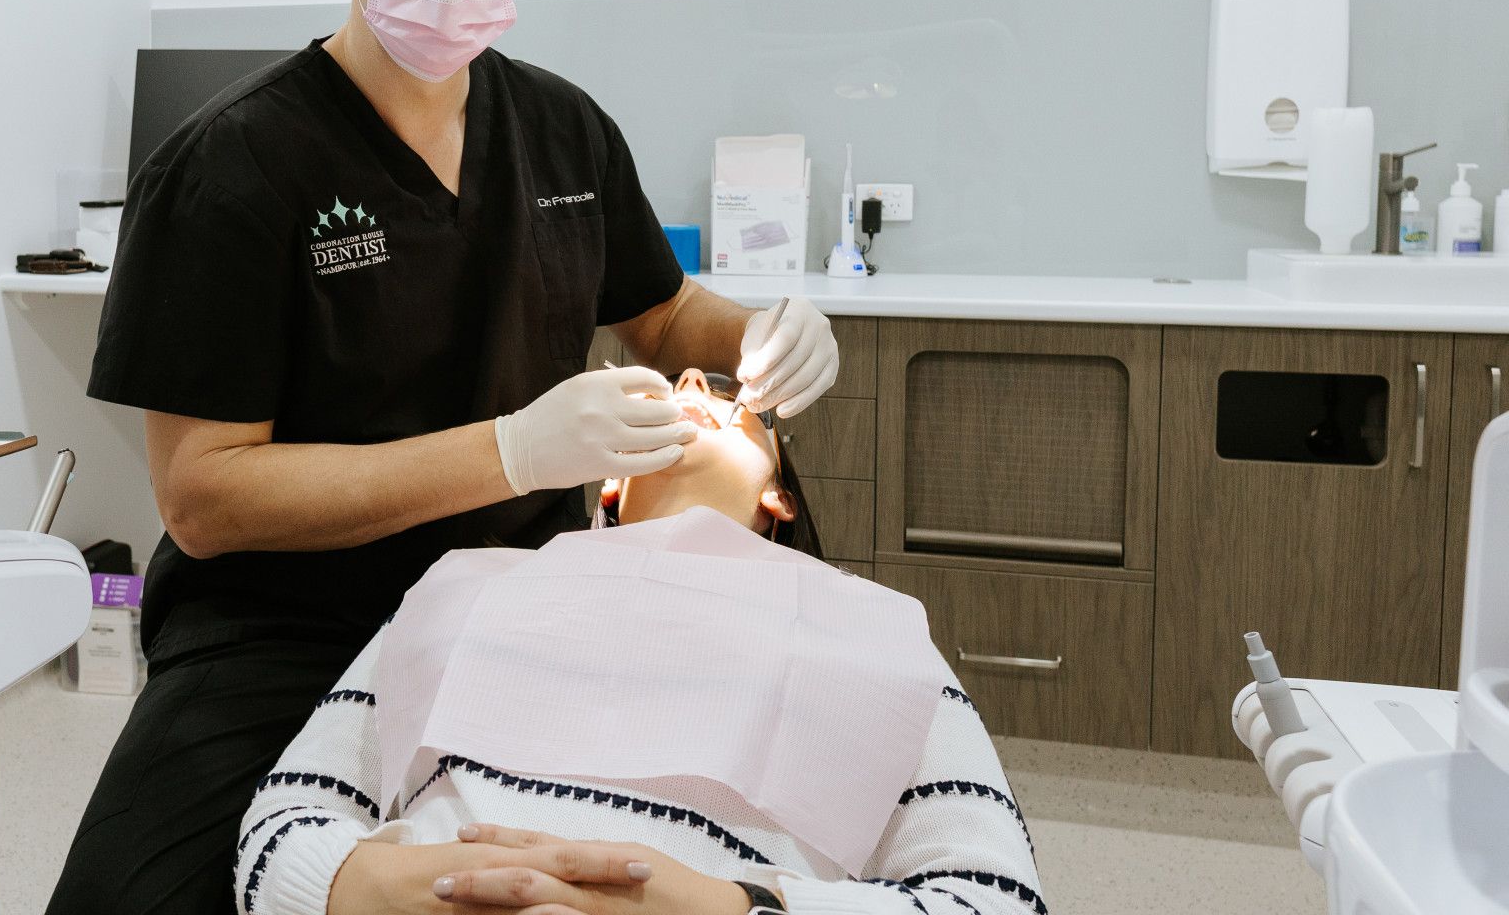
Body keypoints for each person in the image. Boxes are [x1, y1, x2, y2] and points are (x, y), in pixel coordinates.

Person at [48, 0, 843, 912]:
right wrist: (511, 451)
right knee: (143, 892)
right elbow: (206, 497)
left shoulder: (564, 130)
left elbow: (662, 317)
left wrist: (761, 327)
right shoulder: (232, 163)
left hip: (521, 606)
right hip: (285, 627)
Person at [231, 370, 1045, 915]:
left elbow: (994, 896)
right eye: (669, 383)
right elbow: (282, 826)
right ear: (608, 482)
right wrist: (372, 885)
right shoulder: (470, 587)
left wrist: (729, 906)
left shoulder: (865, 629)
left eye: (726, 395)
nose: (690, 383)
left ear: (780, 497)